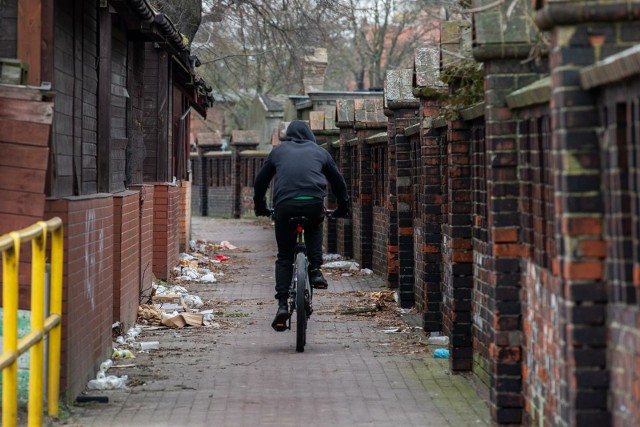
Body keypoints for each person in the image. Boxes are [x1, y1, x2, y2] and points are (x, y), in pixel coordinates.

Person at [253, 120, 350, 331]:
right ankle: (315, 270)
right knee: (315, 224)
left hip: (284, 206)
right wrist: (343, 207)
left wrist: (260, 206)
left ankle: (281, 305)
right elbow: (338, 182)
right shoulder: (320, 152)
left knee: (285, 257)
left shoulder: (278, 152)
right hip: (314, 203)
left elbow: (260, 182)